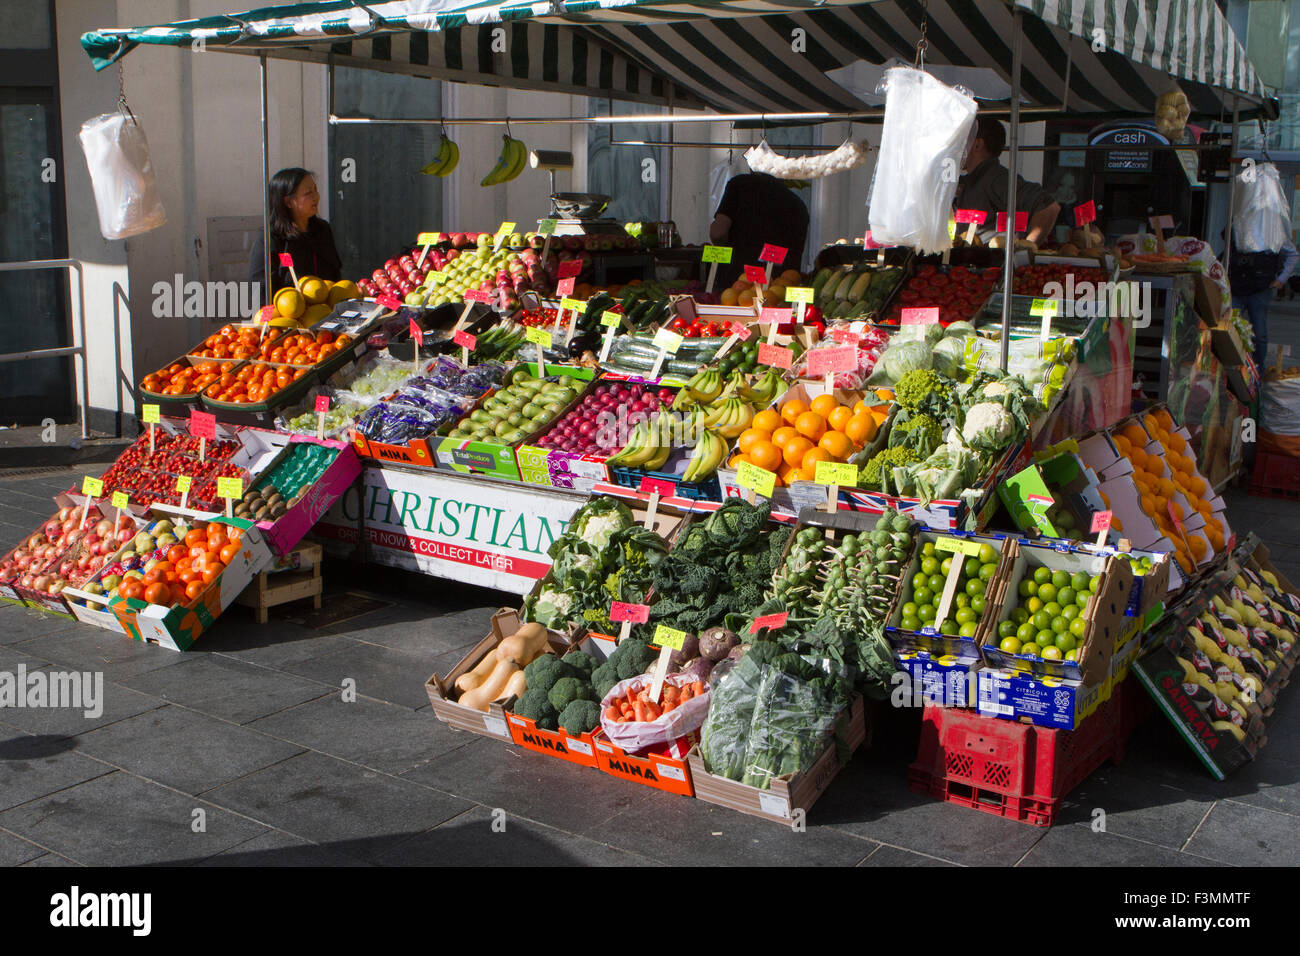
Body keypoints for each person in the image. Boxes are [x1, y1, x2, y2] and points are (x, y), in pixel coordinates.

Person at [955, 116, 1060, 245]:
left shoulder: (996, 179)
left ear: (977, 145)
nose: (957, 147)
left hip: (992, 263)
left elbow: (1049, 208)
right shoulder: (968, 181)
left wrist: (1026, 248)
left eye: (963, 140)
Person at [248, 168, 342, 295]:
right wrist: (269, 315)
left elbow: (336, 274)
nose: (316, 197)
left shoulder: (322, 229)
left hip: (325, 311)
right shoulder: (270, 237)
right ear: (288, 202)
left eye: (315, 190)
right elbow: (259, 291)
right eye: (308, 192)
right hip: (286, 312)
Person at [709, 172, 809, 286]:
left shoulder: (741, 185)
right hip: (779, 288)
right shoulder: (799, 205)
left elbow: (718, 233)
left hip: (738, 283)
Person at [1229, 231, 1298, 367]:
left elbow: (1292, 254)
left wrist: (1281, 279)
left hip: (1259, 287)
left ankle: (1258, 369)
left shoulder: (1272, 229)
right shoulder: (1240, 226)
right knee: (1230, 326)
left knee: (1259, 333)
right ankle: (1233, 366)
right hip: (1237, 285)